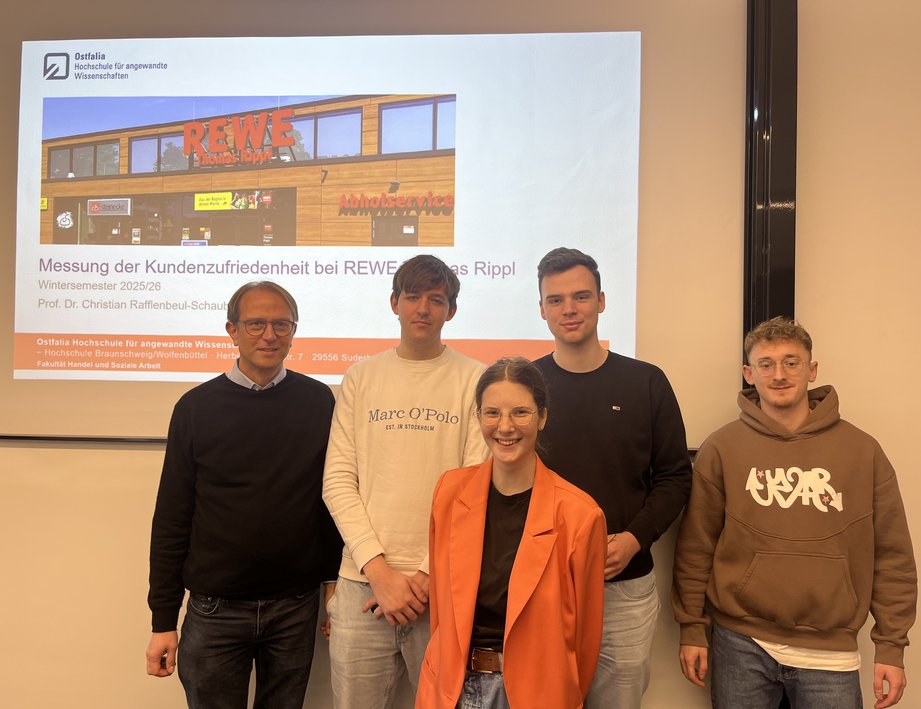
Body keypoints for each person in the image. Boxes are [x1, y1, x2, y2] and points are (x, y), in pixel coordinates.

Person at [673, 316, 918, 709]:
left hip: (831, 651)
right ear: (748, 374)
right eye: (766, 364)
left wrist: (891, 646)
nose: (779, 374)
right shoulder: (722, 448)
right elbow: (695, 548)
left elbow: (893, 556)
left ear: (812, 370)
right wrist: (691, 627)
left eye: (792, 361)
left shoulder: (862, 451)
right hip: (740, 642)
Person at [146, 280, 341, 709]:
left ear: (294, 330)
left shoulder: (319, 402)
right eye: (255, 324)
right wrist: (163, 620)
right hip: (215, 610)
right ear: (232, 330)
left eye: (281, 324)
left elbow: (330, 501)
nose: (269, 335)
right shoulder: (195, 408)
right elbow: (172, 517)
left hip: (295, 607)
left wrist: (333, 586)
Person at [323, 255, 489, 708]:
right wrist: (379, 573)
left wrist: (426, 575)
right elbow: (337, 481)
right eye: (412, 297)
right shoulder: (361, 377)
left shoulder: (476, 379)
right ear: (394, 303)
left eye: (436, 299)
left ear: (450, 310)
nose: (423, 309)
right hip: (362, 587)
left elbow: (476, 488)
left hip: (440, 591)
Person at [532, 247, 692, 709]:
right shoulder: (527, 386)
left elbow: (675, 478)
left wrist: (635, 539)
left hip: (624, 588)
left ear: (601, 301)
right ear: (541, 309)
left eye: (581, 296)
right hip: (542, 584)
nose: (569, 309)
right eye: (556, 299)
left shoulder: (646, 382)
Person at [417, 357, 607, 708]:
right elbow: (443, 613)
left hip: (536, 694)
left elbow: (585, 640)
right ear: (478, 418)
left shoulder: (580, 515)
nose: (505, 427)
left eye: (520, 412)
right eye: (492, 413)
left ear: (543, 417)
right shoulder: (449, 492)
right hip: (452, 688)